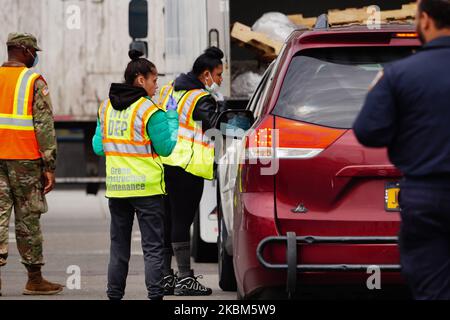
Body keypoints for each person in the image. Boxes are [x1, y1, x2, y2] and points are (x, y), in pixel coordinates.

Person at [353, 0, 450, 300]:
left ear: (425, 20)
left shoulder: (398, 75)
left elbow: (368, 131)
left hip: (426, 196)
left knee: (433, 286)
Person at [92, 50, 179, 300]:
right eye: (154, 80)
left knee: (118, 247)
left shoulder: (105, 108)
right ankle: (155, 295)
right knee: (153, 248)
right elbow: (166, 148)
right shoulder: (149, 110)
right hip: (147, 190)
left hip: (118, 190)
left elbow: (99, 147)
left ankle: (114, 295)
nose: (156, 85)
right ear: (140, 80)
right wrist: (171, 118)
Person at [157, 47, 224, 296]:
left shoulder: (168, 90)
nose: (219, 81)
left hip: (165, 163)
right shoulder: (201, 98)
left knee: (169, 219)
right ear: (205, 75)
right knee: (182, 221)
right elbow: (216, 127)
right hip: (187, 167)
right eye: (218, 75)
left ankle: (165, 277)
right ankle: (185, 279)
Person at [0, 33, 63, 296]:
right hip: (24, 160)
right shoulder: (32, 81)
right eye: (33, 51)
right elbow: (44, 126)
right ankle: (34, 279)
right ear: (25, 51)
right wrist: (49, 165)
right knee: (28, 219)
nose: (35, 56)